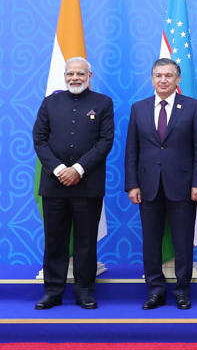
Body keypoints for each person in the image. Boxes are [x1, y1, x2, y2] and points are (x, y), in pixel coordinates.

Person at [124, 58, 197, 310]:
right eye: (158, 75)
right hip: (147, 186)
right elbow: (131, 150)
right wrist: (132, 184)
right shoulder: (138, 108)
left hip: (183, 186)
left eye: (169, 75)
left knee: (183, 242)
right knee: (151, 242)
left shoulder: (193, 107)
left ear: (177, 79)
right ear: (152, 78)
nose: (163, 80)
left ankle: (182, 291)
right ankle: (155, 291)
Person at [32, 57, 114, 310]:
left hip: (87, 185)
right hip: (54, 184)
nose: (74, 78)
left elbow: (105, 141)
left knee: (86, 241)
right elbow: (39, 139)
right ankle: (53, 291)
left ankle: (85, 292)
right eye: (70, 74)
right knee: (54, 240)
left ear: (90, 76)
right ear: (64, 76)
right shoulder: (50, 102)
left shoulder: (103, 103)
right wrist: (59, 170)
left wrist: (78, 170)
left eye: (80, 73)